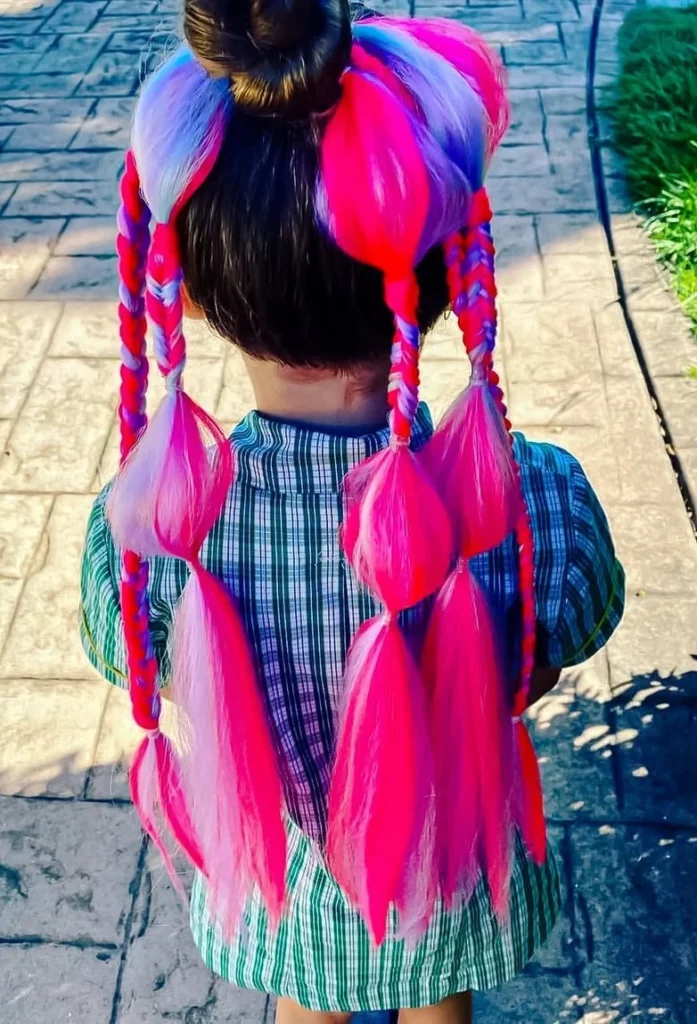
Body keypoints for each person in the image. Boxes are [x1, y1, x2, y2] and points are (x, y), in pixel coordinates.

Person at [79, 1, 625, 1021]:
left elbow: (134, 663)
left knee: (305, 1004)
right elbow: (553, 648)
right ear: (444, 264)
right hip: (450, 863)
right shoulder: (530, 499)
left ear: (188, 286)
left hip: (288, 889)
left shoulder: (153, 532)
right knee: (436, 997)